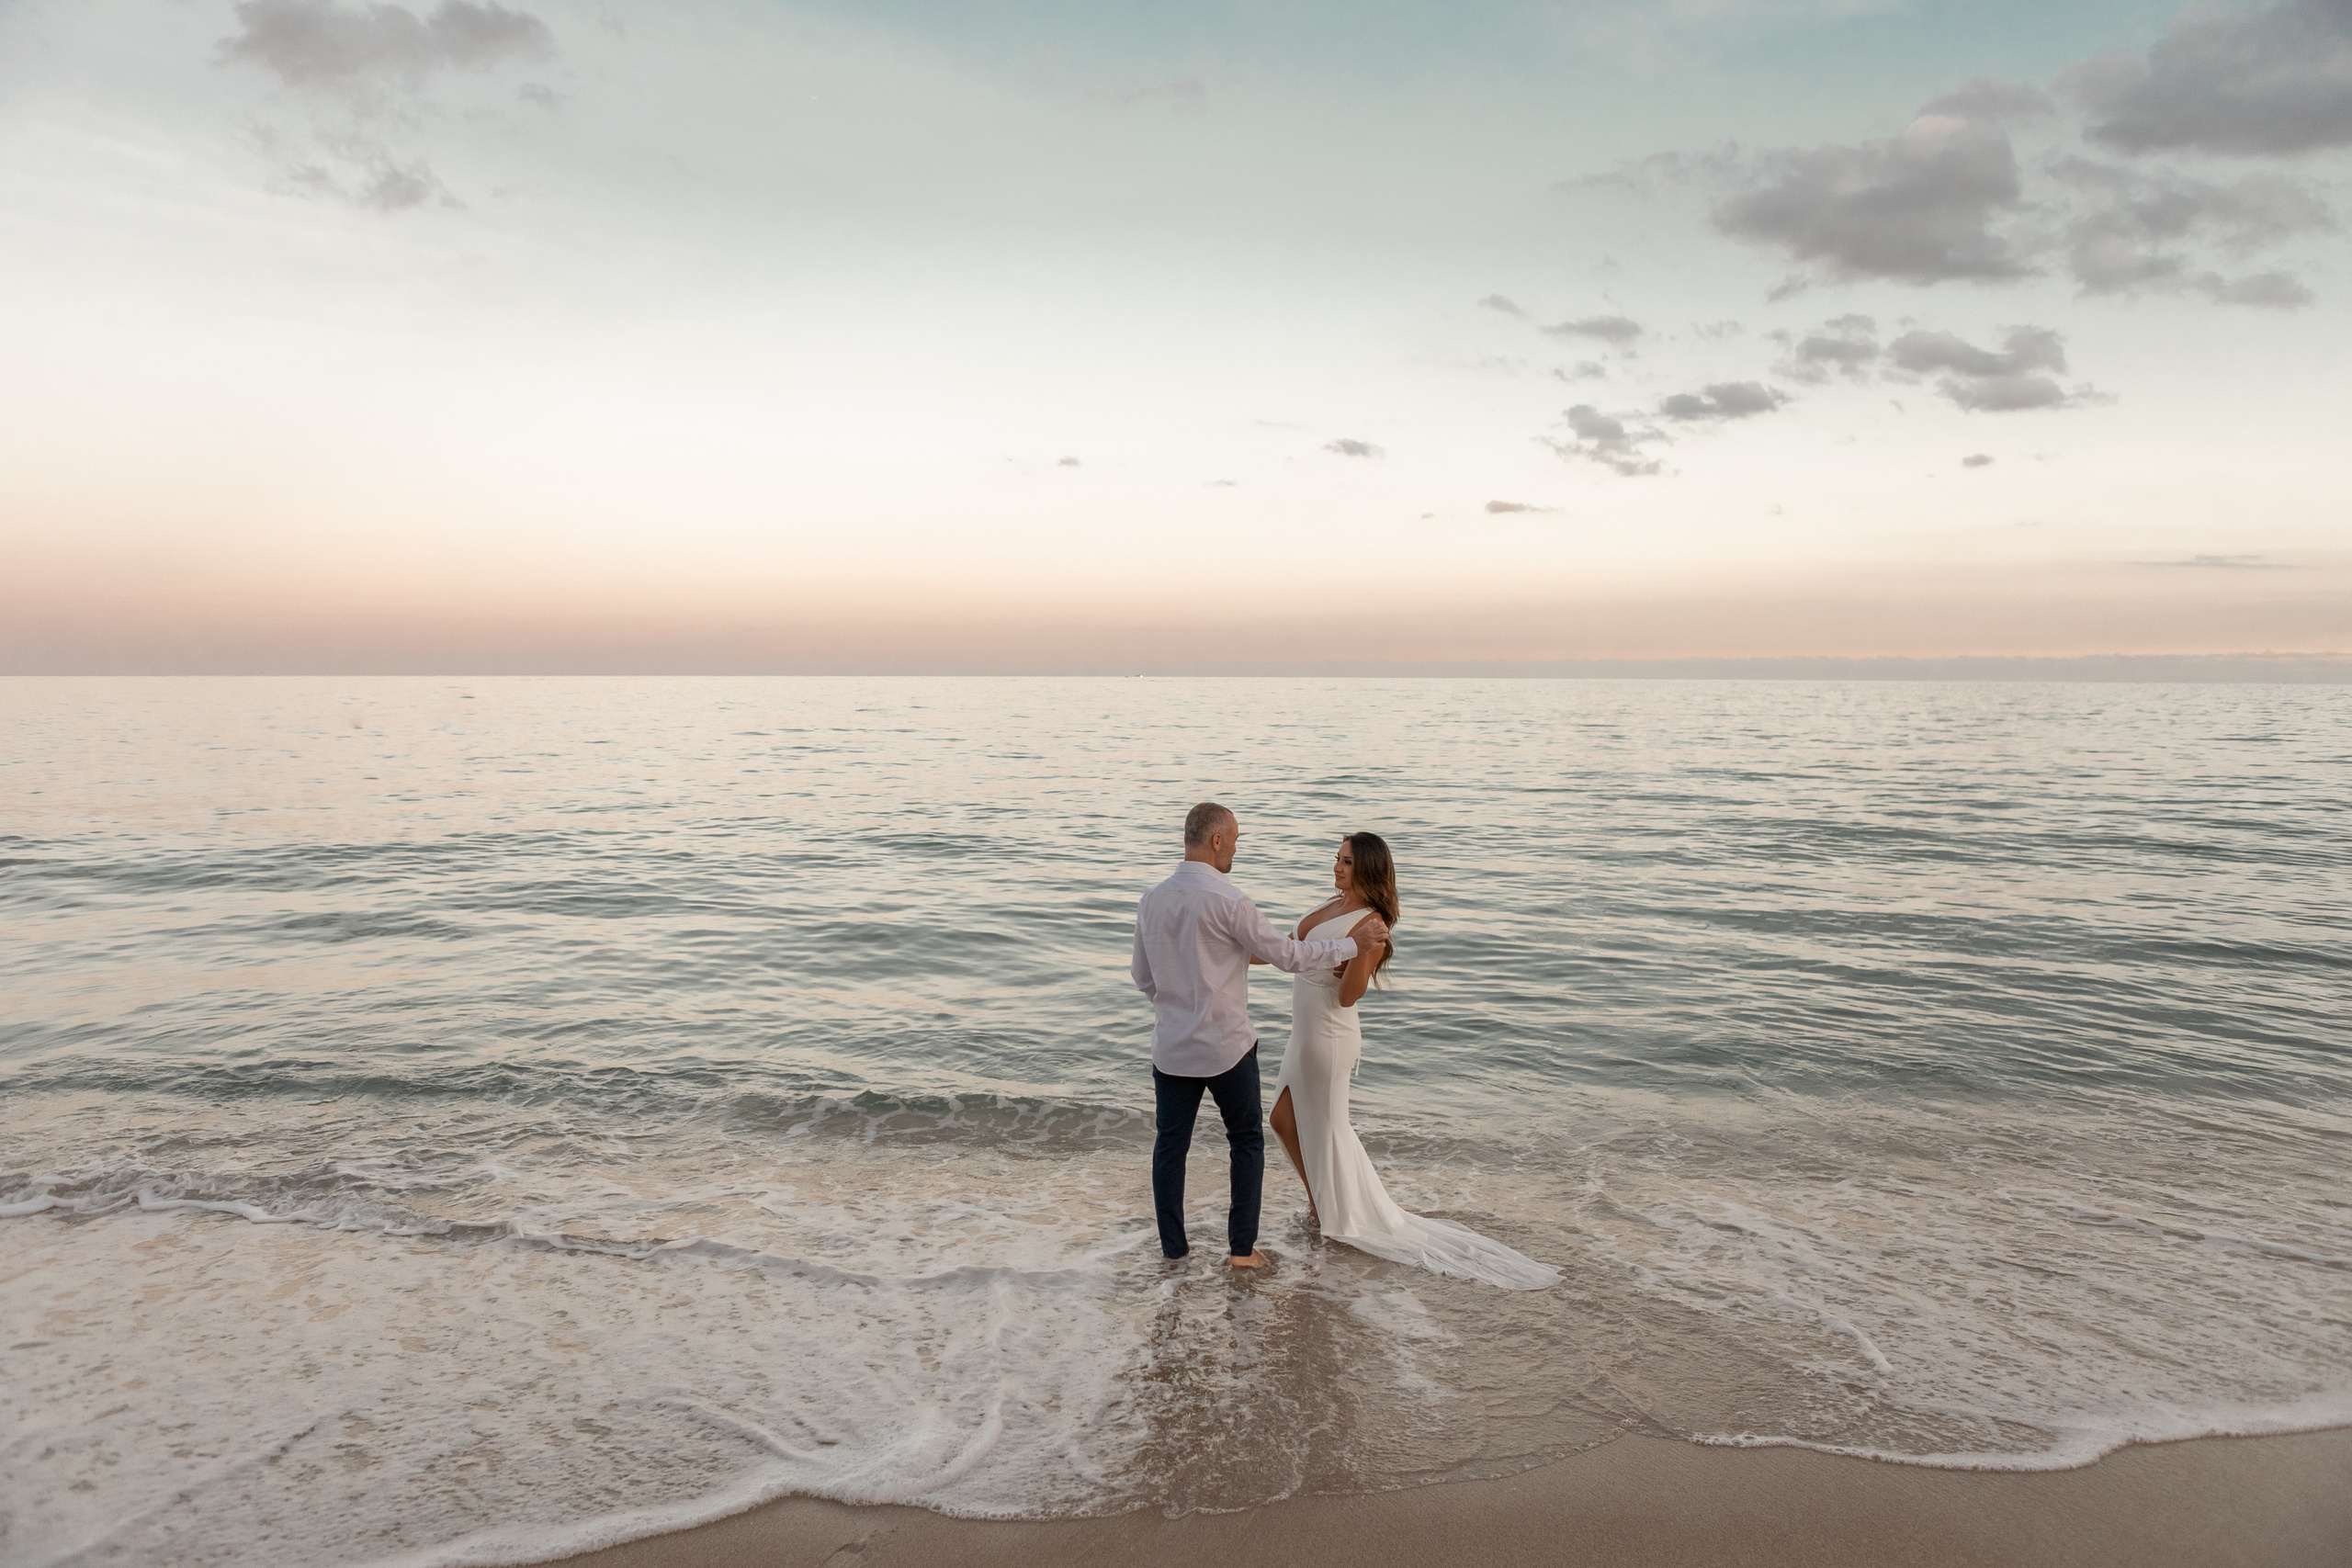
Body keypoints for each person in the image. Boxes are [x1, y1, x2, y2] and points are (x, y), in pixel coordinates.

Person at [1267, 832, 1561, 1290]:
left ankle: (1334, 1212)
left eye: (1346, 862)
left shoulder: (1373, 925)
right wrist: (1235, 944)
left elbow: (1348, 997)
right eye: (1337, 859)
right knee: (1284, 1120)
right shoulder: (1332, 904)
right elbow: (1290, 947)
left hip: (1328, 1035)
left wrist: (1361, 951)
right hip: (1301, 1033)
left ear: (1367, 868)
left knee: (1326, 1128)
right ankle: (1322, 1202)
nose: (1337, 868)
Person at [1131, 802, 1386, 1268]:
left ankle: (1174, 1252)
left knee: (1170, 1146)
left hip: (1171, 1048)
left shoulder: (1151, 900)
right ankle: (1241, 1252)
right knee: (1245, 1142)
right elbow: (1285, 955)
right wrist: (1353, 944)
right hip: (1227, 1045)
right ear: (1216, 840)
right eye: (1234, 839)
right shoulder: (1230, 901)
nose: (1235, 848)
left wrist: (1177, 1010)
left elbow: (1142, 977)